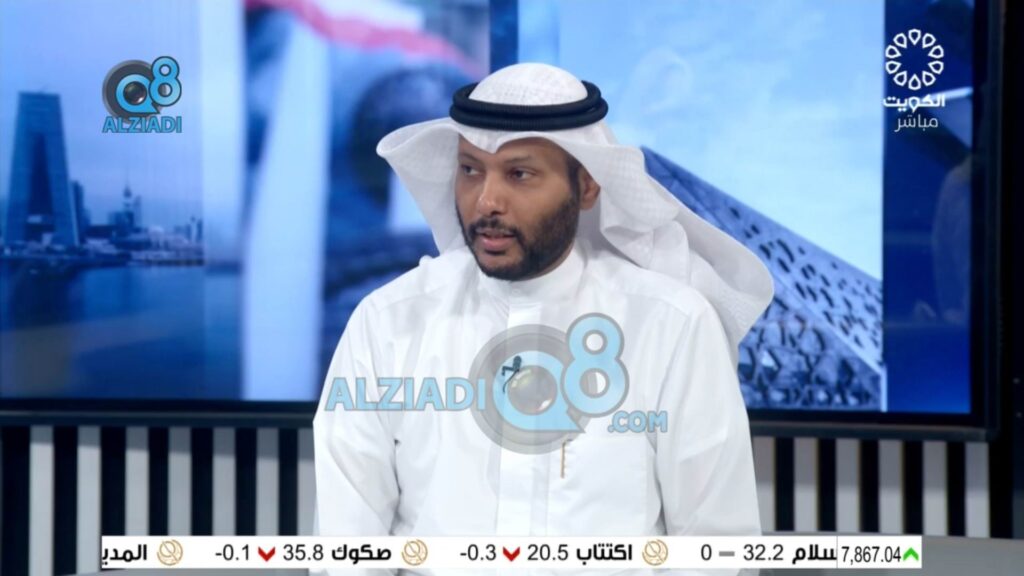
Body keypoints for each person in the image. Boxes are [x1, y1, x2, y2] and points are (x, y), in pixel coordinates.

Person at [313, 62, 774, 574]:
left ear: (588, 186)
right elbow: (347, 548)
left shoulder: (672, 325)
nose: (487, 200)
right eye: (470, 170)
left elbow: (715, 549)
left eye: (519, 174)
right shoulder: (388, 322)